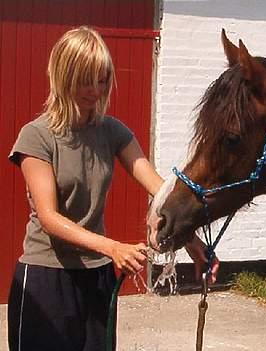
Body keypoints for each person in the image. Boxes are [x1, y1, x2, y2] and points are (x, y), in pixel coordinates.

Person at [7, 26, 218, 351]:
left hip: (97, 279)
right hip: (47, 277)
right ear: (64, 75)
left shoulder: (112, 132)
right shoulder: (36, 137)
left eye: (102, 79)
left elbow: (160, 191)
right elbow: (48, 217)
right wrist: (113, 247)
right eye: (85, 79)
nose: (95, 89)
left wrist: (189, 238)